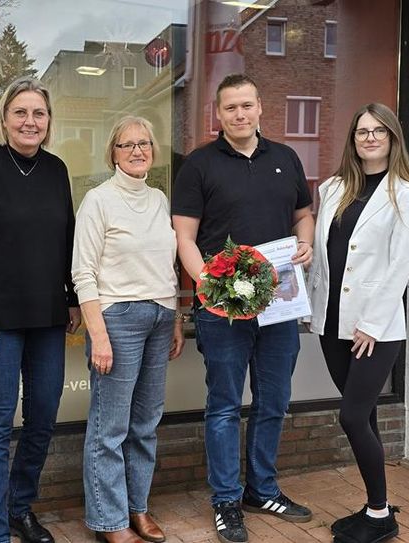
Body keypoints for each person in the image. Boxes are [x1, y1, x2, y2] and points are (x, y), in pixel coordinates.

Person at [171, 73, 314, 543]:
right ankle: (227, 501)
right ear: (218, 113)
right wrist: (208, 285)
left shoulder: (286, 158)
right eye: (230, 107)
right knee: (225, 406)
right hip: (223, 309)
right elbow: (185, 237)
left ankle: (263, 488)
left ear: (259, 107)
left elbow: (302, 214)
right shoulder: (198, 165)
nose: (239, 114)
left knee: (273, 401)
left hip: (278, 304)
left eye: (246, 105)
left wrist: (307, 243)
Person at [0, 76, 81, 543]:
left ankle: (21, 509)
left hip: (46, 320)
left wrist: (72, 299)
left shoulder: (57, 170)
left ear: (49, 122)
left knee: (42, 418)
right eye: (20, 112)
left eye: (38, 113)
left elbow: (67, 242)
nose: (30, 121)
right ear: (4, 120)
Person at [308, 103, 409, 543]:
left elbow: (401, 266)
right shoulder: (333, 187)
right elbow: (326, 255)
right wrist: (309, 306)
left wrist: (373, 324)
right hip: (331, 322)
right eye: (362, 131)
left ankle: (380, 515)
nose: (370, 138)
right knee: (367, 417)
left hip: (374, 328)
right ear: (352, 139)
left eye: (378, 131)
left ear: (393, 138)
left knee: (353, 416)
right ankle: (374, 506)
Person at [72, 116, 185, 543]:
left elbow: (167, 267)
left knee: (145, 423)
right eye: (127, 145)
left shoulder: (158, 199)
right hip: (117, 321)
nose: (137, 151)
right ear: (113, 153)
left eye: (144, 143)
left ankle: (137, 508)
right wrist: (97, 335)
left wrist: (174, 317)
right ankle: (110, 521)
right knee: (110, 427)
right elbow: (83, 273)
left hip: (159, 317)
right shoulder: (98, 201)